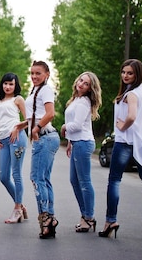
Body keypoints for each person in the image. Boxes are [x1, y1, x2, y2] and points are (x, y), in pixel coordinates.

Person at [100, 59, 142, 241]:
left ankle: (110, 221)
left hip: (125, 142)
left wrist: (122, 126)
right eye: (123, 72)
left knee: (115, 181)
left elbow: (132, 116)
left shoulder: (131, 94)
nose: (125, 76)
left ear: (137, 74)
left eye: (130, 73)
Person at [60, 72, 102, 233]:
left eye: (86, 83)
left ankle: (88, 217)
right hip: (77, 142)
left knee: (84, 182)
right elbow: (77, 125)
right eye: (81, 80)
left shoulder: (84, 102)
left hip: (83, 143)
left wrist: (64, 128)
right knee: (75, 181)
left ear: (90, 88)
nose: (81, 84)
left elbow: (77, 125)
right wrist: (70, 141)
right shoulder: (76, 100)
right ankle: (86, 215)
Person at [26, 60, 60, 239]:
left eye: (38, 73)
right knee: (43, 179)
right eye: (32, 73)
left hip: (45, 137)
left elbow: (50, 113)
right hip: (46, 136)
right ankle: (49, 219)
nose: (34, 76)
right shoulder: (35, 90)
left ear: (47, 74)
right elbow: (36, 114)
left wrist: (36, 128)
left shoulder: (45, 89)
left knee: (37, 178)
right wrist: (22, 125)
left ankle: (46, 218)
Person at [0, 72, 29, 224]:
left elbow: (29, 120)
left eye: (11, 84)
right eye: (5, 83)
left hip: (17, 139)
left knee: (16, 174)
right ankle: (20, 205)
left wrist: (17, 128)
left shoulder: (18, 99)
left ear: (16, 86)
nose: (7, 87)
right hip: (3, 141)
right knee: (3, 177)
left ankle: (17, 209)